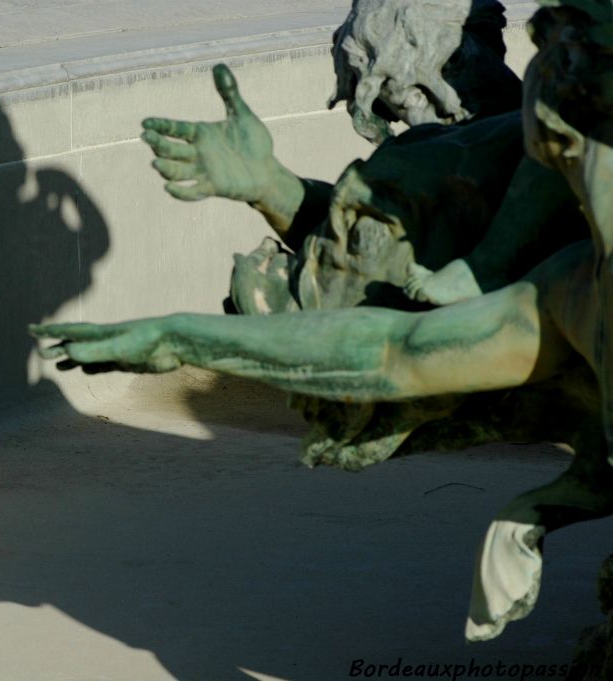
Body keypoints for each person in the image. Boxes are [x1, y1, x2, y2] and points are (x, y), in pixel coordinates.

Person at [33, 2, 613, 643]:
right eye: (553, 151)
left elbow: (400, 336)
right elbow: (398, 349)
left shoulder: (567, 279)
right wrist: (183, 333)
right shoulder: (573, 289)